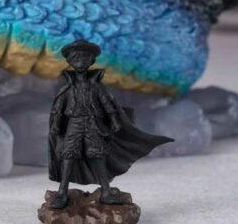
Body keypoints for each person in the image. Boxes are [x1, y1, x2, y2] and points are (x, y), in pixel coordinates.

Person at [48, 39, 173, 209]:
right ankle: (62, 192)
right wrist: (56, 124)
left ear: (91, 61)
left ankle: (106, 192)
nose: (80, 62)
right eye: (76, 58)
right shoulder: (67, 87)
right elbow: (58, 108)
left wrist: (114, 119)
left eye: (85, 58)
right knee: (68, 156)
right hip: (74, 123)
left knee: (98, 155)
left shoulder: (96, 86)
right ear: (69, 61)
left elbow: (107, 104)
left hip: (93, 123)